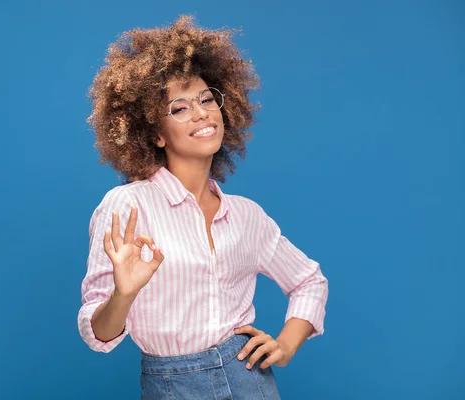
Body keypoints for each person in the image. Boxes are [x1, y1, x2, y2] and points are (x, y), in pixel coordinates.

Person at [77, 15, 329, 399]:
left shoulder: (247, 215)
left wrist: (285, 345)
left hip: (250, 378)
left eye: (207, 99)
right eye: (179, 107)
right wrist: (124, 294)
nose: (200, 112)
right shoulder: (127, 206)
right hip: (171, 385)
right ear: (156, 133)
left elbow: (309, 280)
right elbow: (99, 334)